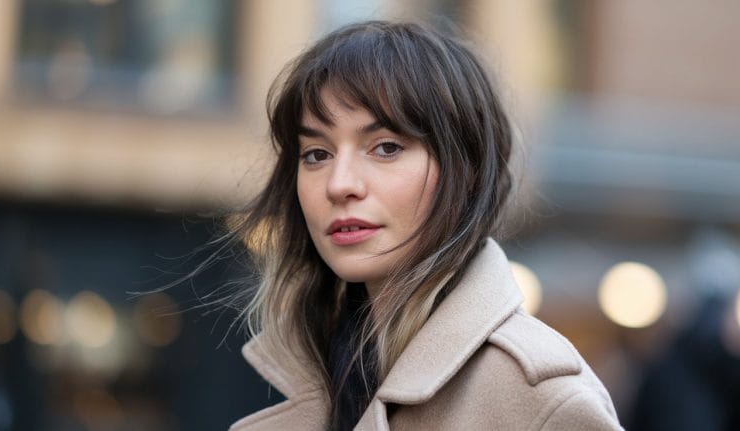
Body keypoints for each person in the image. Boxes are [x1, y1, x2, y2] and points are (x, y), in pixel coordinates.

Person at [227, 21, 622, 430]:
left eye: (386, 148)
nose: (339, 184)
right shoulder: (321, 376)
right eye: (316, 154)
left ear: (466, 170)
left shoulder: (538, 400)